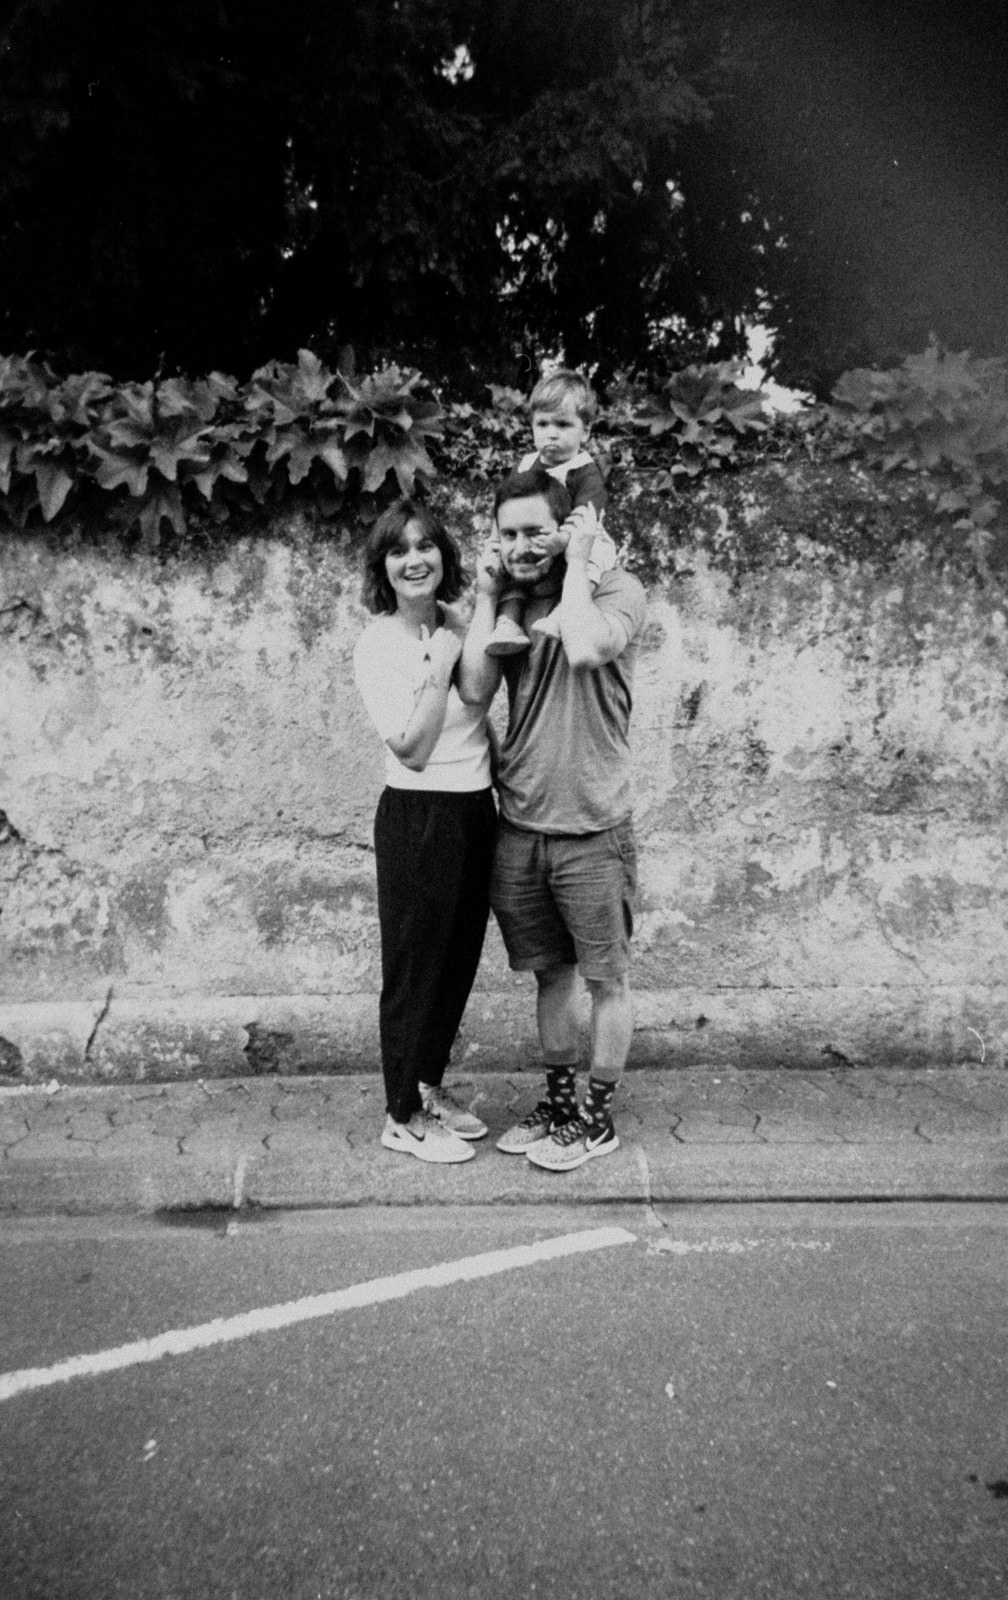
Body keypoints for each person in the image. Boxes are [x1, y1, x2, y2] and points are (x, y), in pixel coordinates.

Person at [459, 467, 647, 1171]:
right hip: (522, 825)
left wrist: (576, 563)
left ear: (567, 527)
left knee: (607, 981)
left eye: (536, 530)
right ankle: (561, 1105)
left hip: (594, 829)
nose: (522, 545)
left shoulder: (616, 590)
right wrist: (486, 596)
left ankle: (597, 1120)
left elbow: (588, 647)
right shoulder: (511, 608)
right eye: (508, 534)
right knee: (551, 978)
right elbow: (476, 691)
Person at [353, 498, 496, 1163]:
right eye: (398, 550)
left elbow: (480, 698)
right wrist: (437, 670)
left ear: (444, 555)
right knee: (414, 969)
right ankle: (401, 1115)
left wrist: (470, 625)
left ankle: (427, 1089)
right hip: (418, 815)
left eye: (425, 545)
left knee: (457, 962)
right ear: (383, 567)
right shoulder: (378, 644)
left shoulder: (460, 624)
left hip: (474, 808)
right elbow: (411, 749)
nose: (414, 560)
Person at [485, 369, 617, 657]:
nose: (551, 433)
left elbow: (585, 518)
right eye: (542, 424)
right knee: (510, 561)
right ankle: (508, 621)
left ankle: (562, 614)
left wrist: (562, 541)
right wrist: (496, 540)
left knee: (595, 558)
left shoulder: (585, 472)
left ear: (585, 430)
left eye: (563, 424)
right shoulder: (526, 465)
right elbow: (505, 504)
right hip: (534, 536)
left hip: (578, 539)